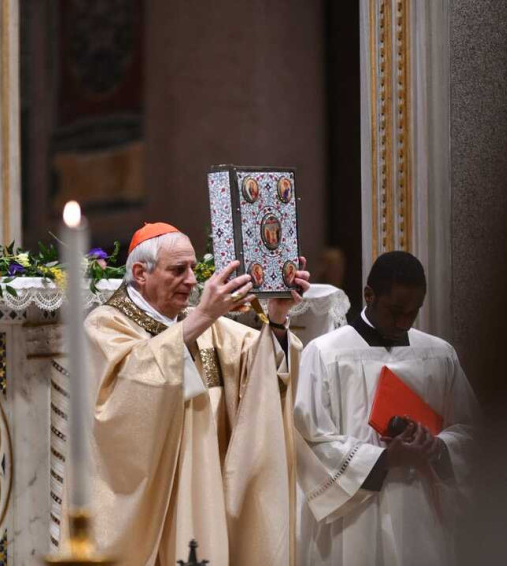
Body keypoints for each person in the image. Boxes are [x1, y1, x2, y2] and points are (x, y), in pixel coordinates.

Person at [81, 222, 311, 566]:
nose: (191, 280)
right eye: (178, 270)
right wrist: (203, 315)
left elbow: (262, 370)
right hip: (149, 506)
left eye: (192, 268)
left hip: (206, 494)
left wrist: (277, 318)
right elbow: (121, 403)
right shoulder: (106, 325)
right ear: (141, 273)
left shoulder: (209, 326)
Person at [294, 251, 478, 565]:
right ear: (369, 295)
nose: (404, 322)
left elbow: (473, 431)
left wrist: (438, 447)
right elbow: (310, 441)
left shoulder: (438, 354)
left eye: (413, 312)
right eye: (395, 311)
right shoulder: (325, 353)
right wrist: (383, 459)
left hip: (421, 511)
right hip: (354, 517)